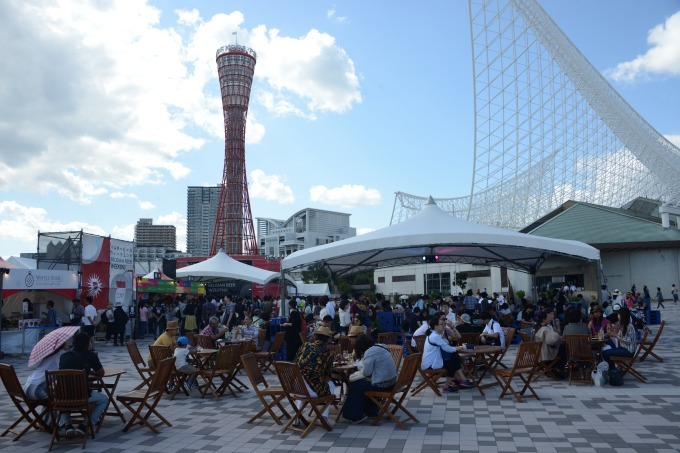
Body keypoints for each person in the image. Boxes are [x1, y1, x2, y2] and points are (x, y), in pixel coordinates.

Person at [58, 332, 108, 436]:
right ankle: (85, 425)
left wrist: (86, 370)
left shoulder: (64, 356)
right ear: (87, 344)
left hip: (62, 397)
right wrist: (89, 370)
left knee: (65, 397)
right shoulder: (90, 355)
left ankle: (67, 425)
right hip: (82, 396)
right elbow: (101, 373)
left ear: (74, 343)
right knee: (104, 399)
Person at [342, 334, 397, 424]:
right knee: (361, 383)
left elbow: (366, 372)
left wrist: (354, 375)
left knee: (355, 386)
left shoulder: (369, 352)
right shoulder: (380, 347)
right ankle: (371, 411)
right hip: (392, 382)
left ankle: (354, 416)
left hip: (382, 385)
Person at [293, 326, 335, 426]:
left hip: (295, 388)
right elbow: (329, 374)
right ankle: (323, 416)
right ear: (328, 340)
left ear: (315, 337)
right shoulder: (328, 352)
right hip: (312, 392)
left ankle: (297, 415)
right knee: (331, 385)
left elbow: (295, 362)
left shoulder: (304, 346)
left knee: (303, 379)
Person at [421, 317, 473, 393]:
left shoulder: (433, 334)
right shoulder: (434, 336)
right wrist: (459, 348)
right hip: (430, 364)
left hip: (433, 361)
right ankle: (456, 383)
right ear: (435, 326)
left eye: (444, 324)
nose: (443, 326)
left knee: (453, 360)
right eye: (441, 324)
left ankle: (457, 383)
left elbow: (448, 346)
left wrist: (457, 348)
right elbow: (447, 348)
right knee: (452, 363)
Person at [24, 335, 70, 401]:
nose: (67, 342)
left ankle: (47, 411)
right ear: (62, 343)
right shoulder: (61, 354)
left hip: (27, 388)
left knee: (53, 395)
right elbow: (63, 372)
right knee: (61, 397)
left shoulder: (47, 354)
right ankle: (51, 411)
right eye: (66, 341)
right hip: (37, 390)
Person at [533, 308, 565, 378]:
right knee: (564, 350)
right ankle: (558, 369)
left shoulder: (544, 326)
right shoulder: (544, 328)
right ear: (544, 318)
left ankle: (556, 368)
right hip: (545, 352)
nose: (552, 316)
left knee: (563, 348)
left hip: (542, 351)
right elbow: (551, 341)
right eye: (550, 314)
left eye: (553, 314)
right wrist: (558, 338)